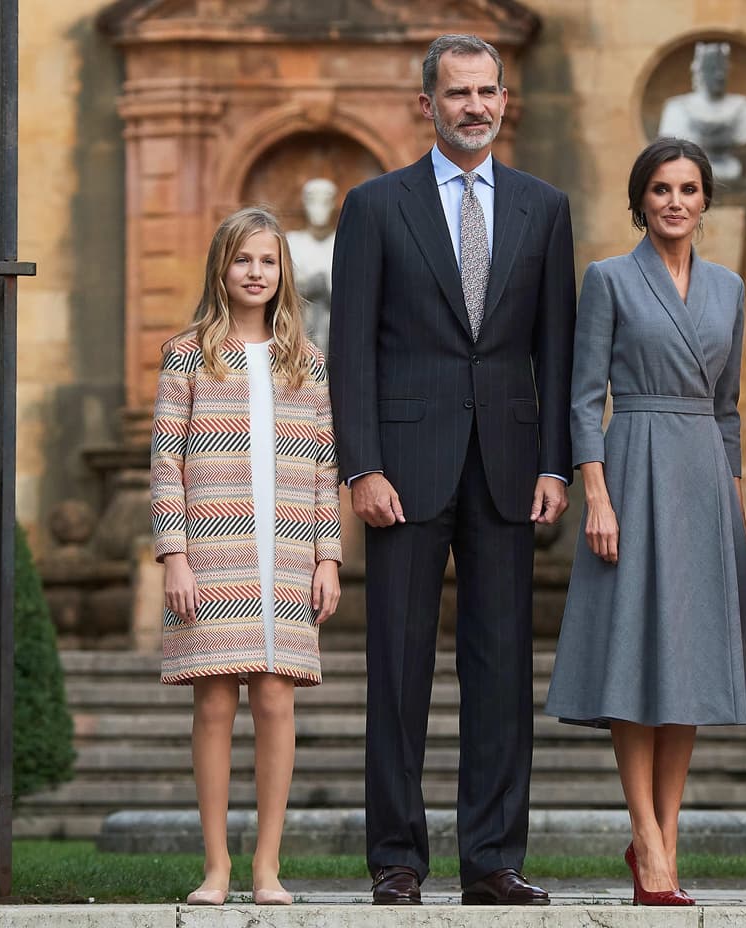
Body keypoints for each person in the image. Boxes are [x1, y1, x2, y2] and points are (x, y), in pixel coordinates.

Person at [328, 34, 575, 906]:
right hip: (404, 469)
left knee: (502, 669)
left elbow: (558, 345)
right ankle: (396, 860)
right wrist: (360, 464)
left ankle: (493, 862)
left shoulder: (545, 208)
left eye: (487, 92)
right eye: (457, 93)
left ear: (505, 101)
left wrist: (557, 465)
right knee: (397, 669)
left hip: (510, 470)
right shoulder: (375, 205)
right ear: (426, 105)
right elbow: (348, 346)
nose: (475, 106)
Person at [545, 137, 746, 906]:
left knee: (692, 666)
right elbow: (582, 397)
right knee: (635, 656)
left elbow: (732, 407)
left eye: (688, 189)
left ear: (707, 201)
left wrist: (732, 503)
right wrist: (596, 494)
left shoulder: (730, 288)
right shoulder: (607, 279)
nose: (675, 202)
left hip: (704, 474)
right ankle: (644, 830)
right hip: (633, 463)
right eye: (662, 189)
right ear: (640, 200)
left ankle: (664, 841)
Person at [151, 206, 343, 907]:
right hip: (215, 550)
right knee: (213, 704)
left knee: (275, 699)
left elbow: (325, 469)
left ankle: (267, 867)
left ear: (282, 270)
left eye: (267, 261)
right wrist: (175, 554)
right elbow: (165, 462)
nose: (256, 273)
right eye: (243, 261)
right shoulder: (187, 355)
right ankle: (217, 867)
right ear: (221, 269)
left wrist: (329, 558)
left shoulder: (307, 362)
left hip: (288, 554)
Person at [657, 42, 746, 182]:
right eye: (712, 69)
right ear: (700, 71)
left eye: (723, 68)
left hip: (730, 169)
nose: (719, 75)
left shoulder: (743, 108)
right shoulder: (678, 108)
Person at [285, 178, 337, 355]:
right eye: (312, 200)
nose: (318, 207)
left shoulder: (342, 242)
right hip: (299, 330)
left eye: (325, 200)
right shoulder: (293, 242)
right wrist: (307, 286)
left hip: (335, 330)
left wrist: (325, 286)